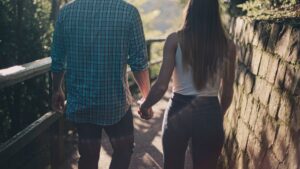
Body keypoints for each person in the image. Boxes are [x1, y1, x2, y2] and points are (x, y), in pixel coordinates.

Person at [50, 0, 152, 169]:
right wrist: (147, 98)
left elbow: (58, 59)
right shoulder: (129, 13)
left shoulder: (66, 13)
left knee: (88, 157)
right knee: (123, 150)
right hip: (116, 103)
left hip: (82, 103)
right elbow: (139, 63)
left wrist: (56, 89)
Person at [139, 0, 236, 168]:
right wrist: (217, 116)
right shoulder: (228, 46)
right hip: (209, 110)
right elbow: (227, 92)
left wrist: (145, 105)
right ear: (215, 12)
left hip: (178, 109)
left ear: (190, 9)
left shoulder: (174, 40)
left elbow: (162, 85)